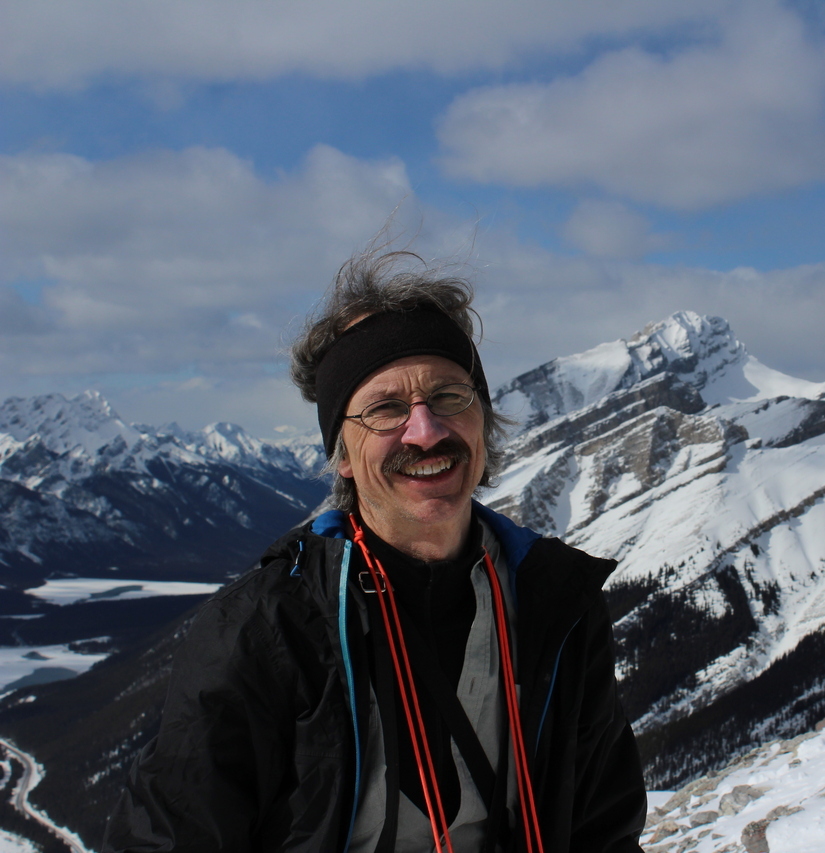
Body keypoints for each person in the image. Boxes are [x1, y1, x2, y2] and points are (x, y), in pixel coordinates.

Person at [103, 251, 647, 852]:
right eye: (386, 409)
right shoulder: (271, 625)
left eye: (450, 397)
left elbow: (603, 831)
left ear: (484, 422)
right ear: (341, 454)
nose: (426, 431)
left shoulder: (556, 602)